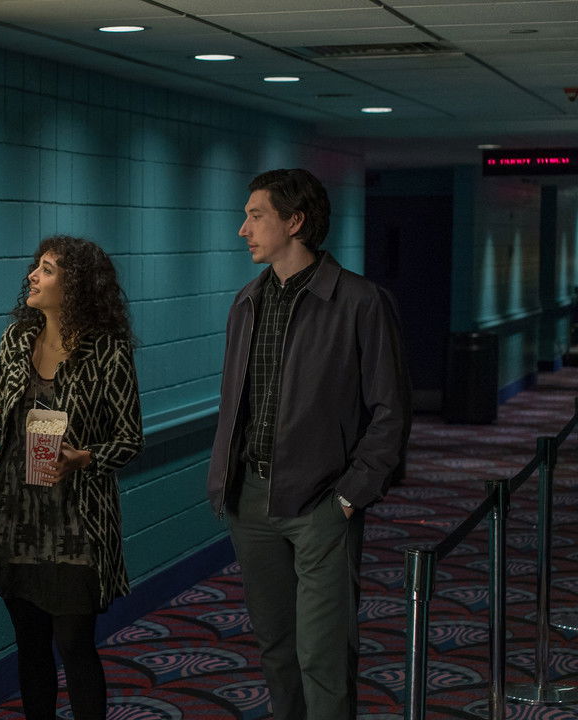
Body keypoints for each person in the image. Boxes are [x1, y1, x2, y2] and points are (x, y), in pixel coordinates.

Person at [206, 168, 410, 719]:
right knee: (276, 649)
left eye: (255, 216)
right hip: (250, 500)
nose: (243, 229)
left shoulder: (360, 301)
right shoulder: (247, 301)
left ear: (294, 222)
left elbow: (390, 410)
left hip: (321, 502)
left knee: (323, 654)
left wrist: (350, 495)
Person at [0, 236, 143, 720]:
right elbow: (7, 421)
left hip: (76, 520)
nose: (32, 277)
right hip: (17, 515)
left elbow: (129, 440)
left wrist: (85, 458)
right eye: (36, 267)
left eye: (46, 270)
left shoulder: (107, 350)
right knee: (31, 643)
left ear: (75, 284)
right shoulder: (16, 340)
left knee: (74, 642)